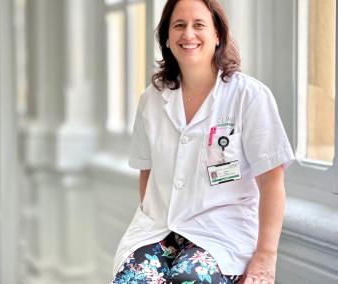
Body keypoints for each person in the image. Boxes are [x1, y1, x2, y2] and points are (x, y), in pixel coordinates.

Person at [112, 0, 294, 283]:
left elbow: (272, 181)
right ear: (167, 38)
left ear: (217, 34)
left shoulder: (249, 96)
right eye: (179, 25)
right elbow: (146, 171)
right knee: (132, 279)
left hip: (221, 233)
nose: (188, 35)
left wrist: (266, 257)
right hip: (159, 229)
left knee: (190, 279)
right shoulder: (152, 98)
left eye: (199, 25)